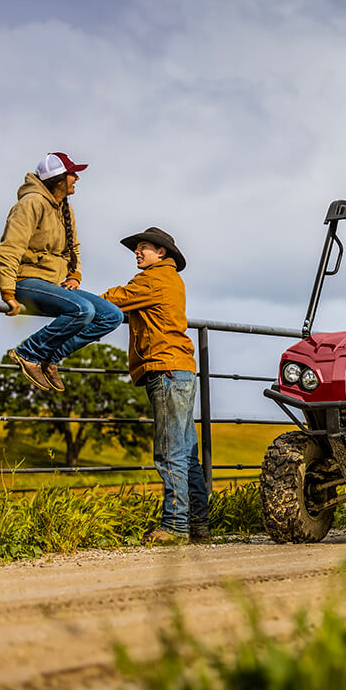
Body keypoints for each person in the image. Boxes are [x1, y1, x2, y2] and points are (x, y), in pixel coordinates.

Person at [102, 227, 209, 544]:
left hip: (165, 370)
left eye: (143, 247)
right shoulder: (173, 279)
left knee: (169, 452)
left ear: (162, 252)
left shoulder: (153, 279)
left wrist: (77, 304)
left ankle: (175, 525)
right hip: (182, 369)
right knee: (187, 453)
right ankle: (198, 523)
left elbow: (115, 300)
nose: (137, 251)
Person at [0, 152, 123, 391]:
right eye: (73, 174)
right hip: (25, 280)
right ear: (59, 178)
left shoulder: (66, 209)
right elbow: (11, 246)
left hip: (52, 285)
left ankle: (50, 358)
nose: (77, 179)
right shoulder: (30, 203)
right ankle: (28, 353)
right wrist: (7, 291)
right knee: (83, 309)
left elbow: (73, 248)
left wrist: (74, 275)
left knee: (112, 315)